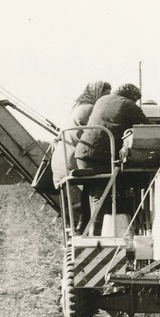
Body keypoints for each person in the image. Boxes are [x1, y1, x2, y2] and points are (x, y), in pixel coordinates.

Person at [51, 80, 111, 233]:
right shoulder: (91, 109)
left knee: (90, 185)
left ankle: (81, 226)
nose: (105, 101)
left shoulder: (78, 108)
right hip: (72, 159)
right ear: (96, 94)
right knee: (102, 180)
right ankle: (95, 228)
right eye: (104, 96)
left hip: (61, 160)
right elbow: (98, 136)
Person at [74, 83, 149, 172]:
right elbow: (148, 128)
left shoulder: (101, 100)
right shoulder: (129, 104)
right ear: (132, 96)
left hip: (82, 154)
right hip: (101, 159)